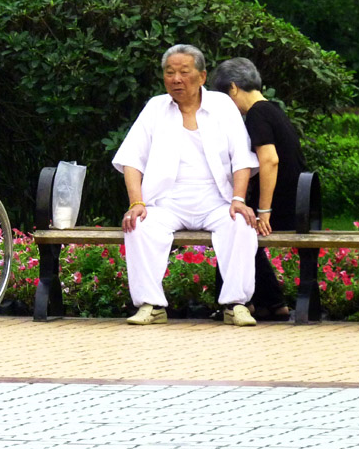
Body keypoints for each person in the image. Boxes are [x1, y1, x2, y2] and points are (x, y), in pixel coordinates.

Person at [113, 44, 260, 327]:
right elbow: (131, 158)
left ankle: (236, 304)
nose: (176, 79)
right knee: (138, 225)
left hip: (216, 200)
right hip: (167, 201)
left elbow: (241, 158)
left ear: (202, 76)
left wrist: (238, 199)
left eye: (184, 72)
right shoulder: (156, 107)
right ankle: (151, 305)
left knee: (241, 224)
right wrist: (136, 202)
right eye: (170, 73)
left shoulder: (222, 105)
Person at [211, 57, 306, 320]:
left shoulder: (256, 114)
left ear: (232, 88)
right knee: (237, 226)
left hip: (283, 205)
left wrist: (264, 210)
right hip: (299, 201)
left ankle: (240, 303)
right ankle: (271, 304)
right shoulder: (271, 108)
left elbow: (269, 160)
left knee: (233, 227)